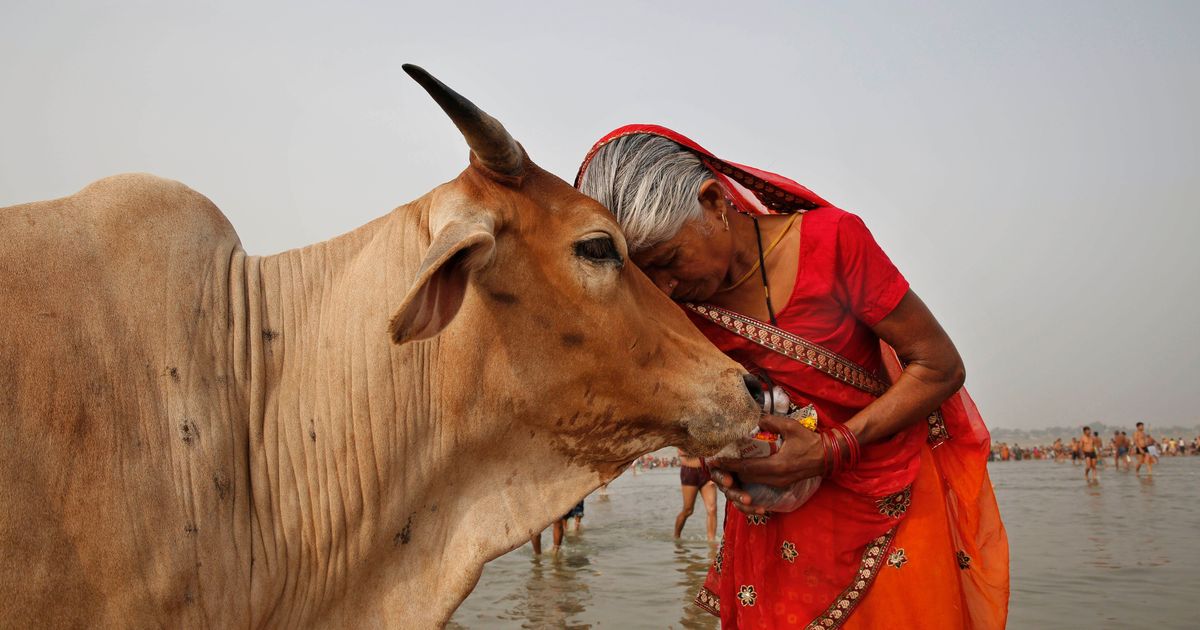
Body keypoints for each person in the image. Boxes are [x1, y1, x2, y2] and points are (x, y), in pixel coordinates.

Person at [576, 126, 1009, 629]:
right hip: (774, 522)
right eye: (647, 277)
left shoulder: (833, 244)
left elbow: (939, 366)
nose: (665, 288)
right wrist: (728, 464)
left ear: (714, 202)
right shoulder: (679, 310)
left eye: (669, 261)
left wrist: (830, 450)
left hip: (889, 497)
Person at [676, 448, 719, 541]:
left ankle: (712, 543)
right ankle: (676, 536)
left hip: (707, 472)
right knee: (688, 510)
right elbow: (681, 452)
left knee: (712, 509)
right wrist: (702, 450)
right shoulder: (687, 433)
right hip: (689, 472)